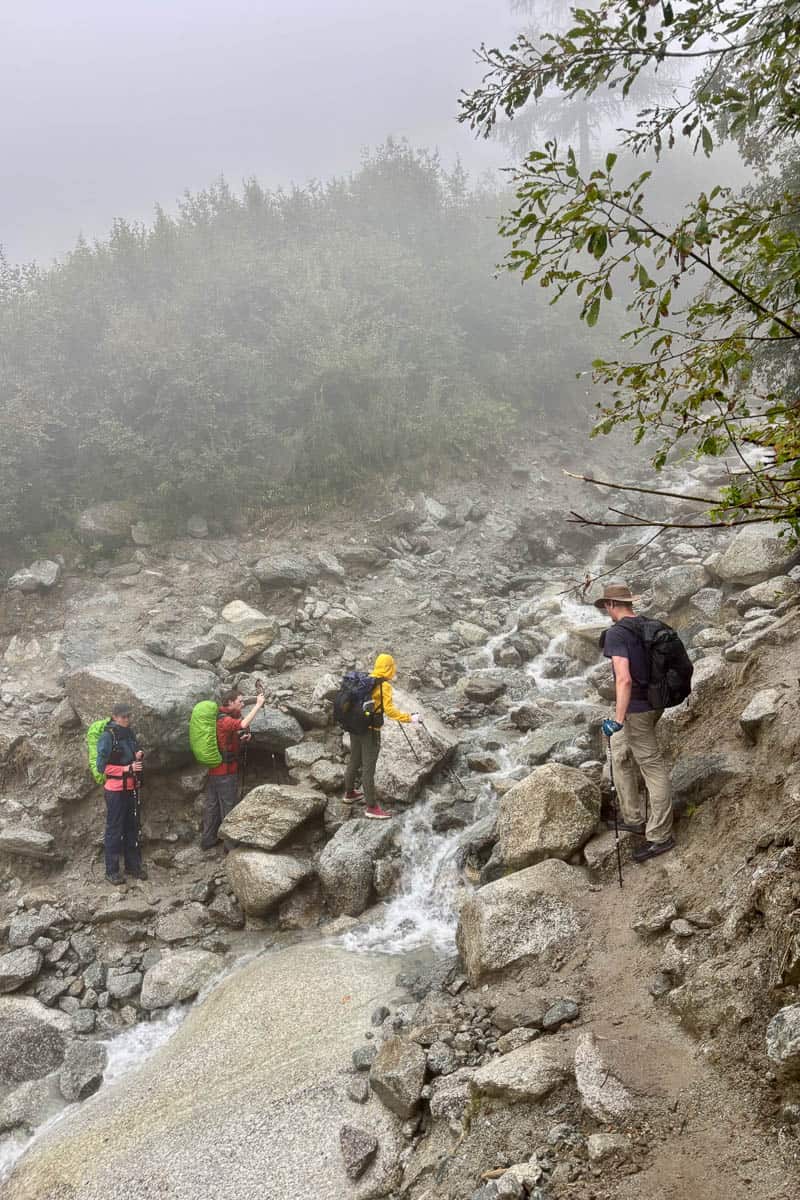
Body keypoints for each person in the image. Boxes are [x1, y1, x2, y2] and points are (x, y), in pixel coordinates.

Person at [594, 583, 675, 862]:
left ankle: (661, 835)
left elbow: (624, 679)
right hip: (654, 703)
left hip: (636, 709)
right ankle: (633, 817)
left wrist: (618, 718)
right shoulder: (648, 625)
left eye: (606, 605)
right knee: (619, 753)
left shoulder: (616, 634)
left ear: (610, 604)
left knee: (651, 765)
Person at [343, 653, 419, 820]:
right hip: (370, 731)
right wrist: (409, 718)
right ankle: (371, 807)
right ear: (389, 668)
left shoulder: (365, 679)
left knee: (354, 759)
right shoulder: (384, 686)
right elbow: (390, 711)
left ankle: (349, 793)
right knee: (368, 769)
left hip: (354, 727)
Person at [201, 686, 266, 850]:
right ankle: (230, 845)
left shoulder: (223, 717)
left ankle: (208, 840)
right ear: (230, 702)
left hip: (214, 770)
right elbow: (242, 723)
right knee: (228, 806)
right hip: (225, 772)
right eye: (240, 701)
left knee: (212, 805)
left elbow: (239, 729)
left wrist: (244, 736)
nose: (243, 704)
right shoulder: (224, 720)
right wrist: (258, 704)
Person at [96, 702, 146, 885]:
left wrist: (138, 754)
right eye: (123, 716)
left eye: (128, 716)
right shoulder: (107, 737)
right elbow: (101, 767)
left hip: (131, 788)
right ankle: (112, 870)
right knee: (114, 830)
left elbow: (132, 754)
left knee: (132, 827)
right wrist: (127, 768)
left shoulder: (129, 733)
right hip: (115, 791)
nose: (127, 719)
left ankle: (133, 866)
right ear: (115, 717)